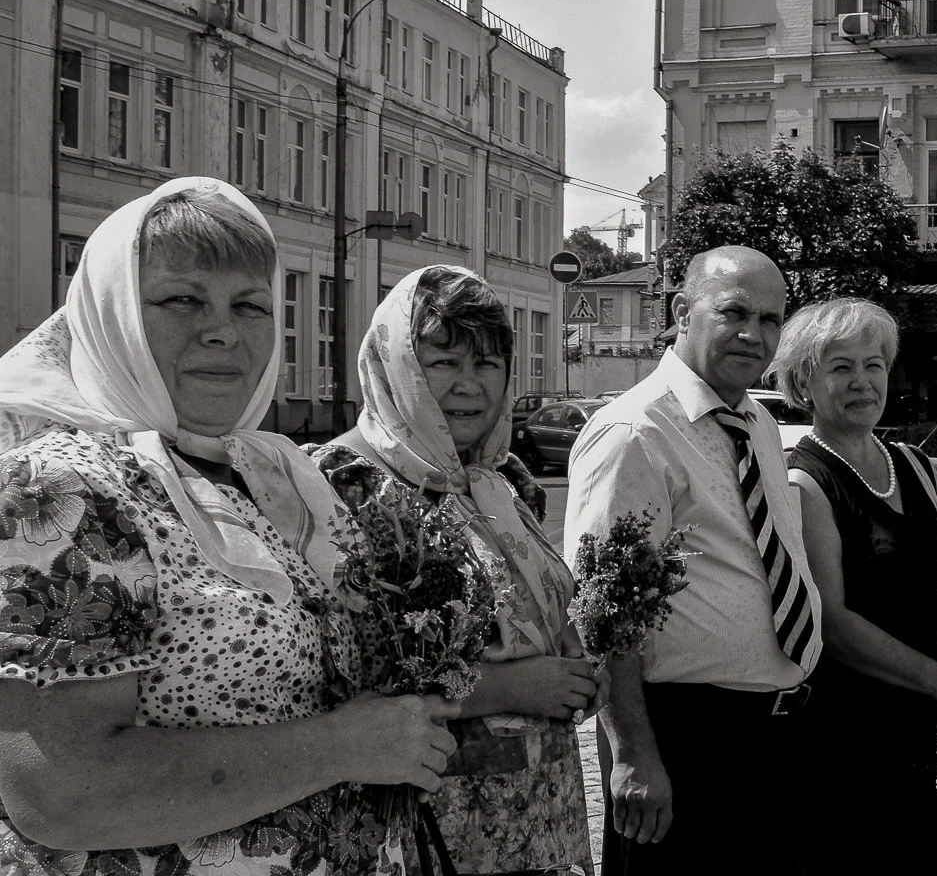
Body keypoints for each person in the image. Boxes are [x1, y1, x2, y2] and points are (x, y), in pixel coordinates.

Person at [0, 176, 457, 875]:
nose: (222, 330)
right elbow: (61, 791)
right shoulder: (61, 485)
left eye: (250, 305)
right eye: (182, 299)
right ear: (112, 311)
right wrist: (345, 744)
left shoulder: (273, 476)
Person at [309, 266, 596, 876]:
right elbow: (334, 681)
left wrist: (571, 653)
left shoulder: (500, 481)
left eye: (488, 365)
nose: (470, 386)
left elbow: (528, 611)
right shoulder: (340, 485)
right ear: (397, 367)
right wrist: (514, 687)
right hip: (427, 822)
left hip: (536, 812)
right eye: (442, 364)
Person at [564, 245, 822, 876]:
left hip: (774, 732)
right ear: (682, 311)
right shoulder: (634, 433)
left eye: (769, 319)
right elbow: (603, 614)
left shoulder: (756, 421)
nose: (753, 334)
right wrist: (632, 754)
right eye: (733, 312)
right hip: (686, 737)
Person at [772, 298, 937, 876]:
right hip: (850, 740)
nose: (862, 382)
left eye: (873, 365)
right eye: (840, 367)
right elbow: (830, 621)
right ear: (803, 381)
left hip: (929, 733)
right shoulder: (805, 481)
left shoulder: (916, 465)